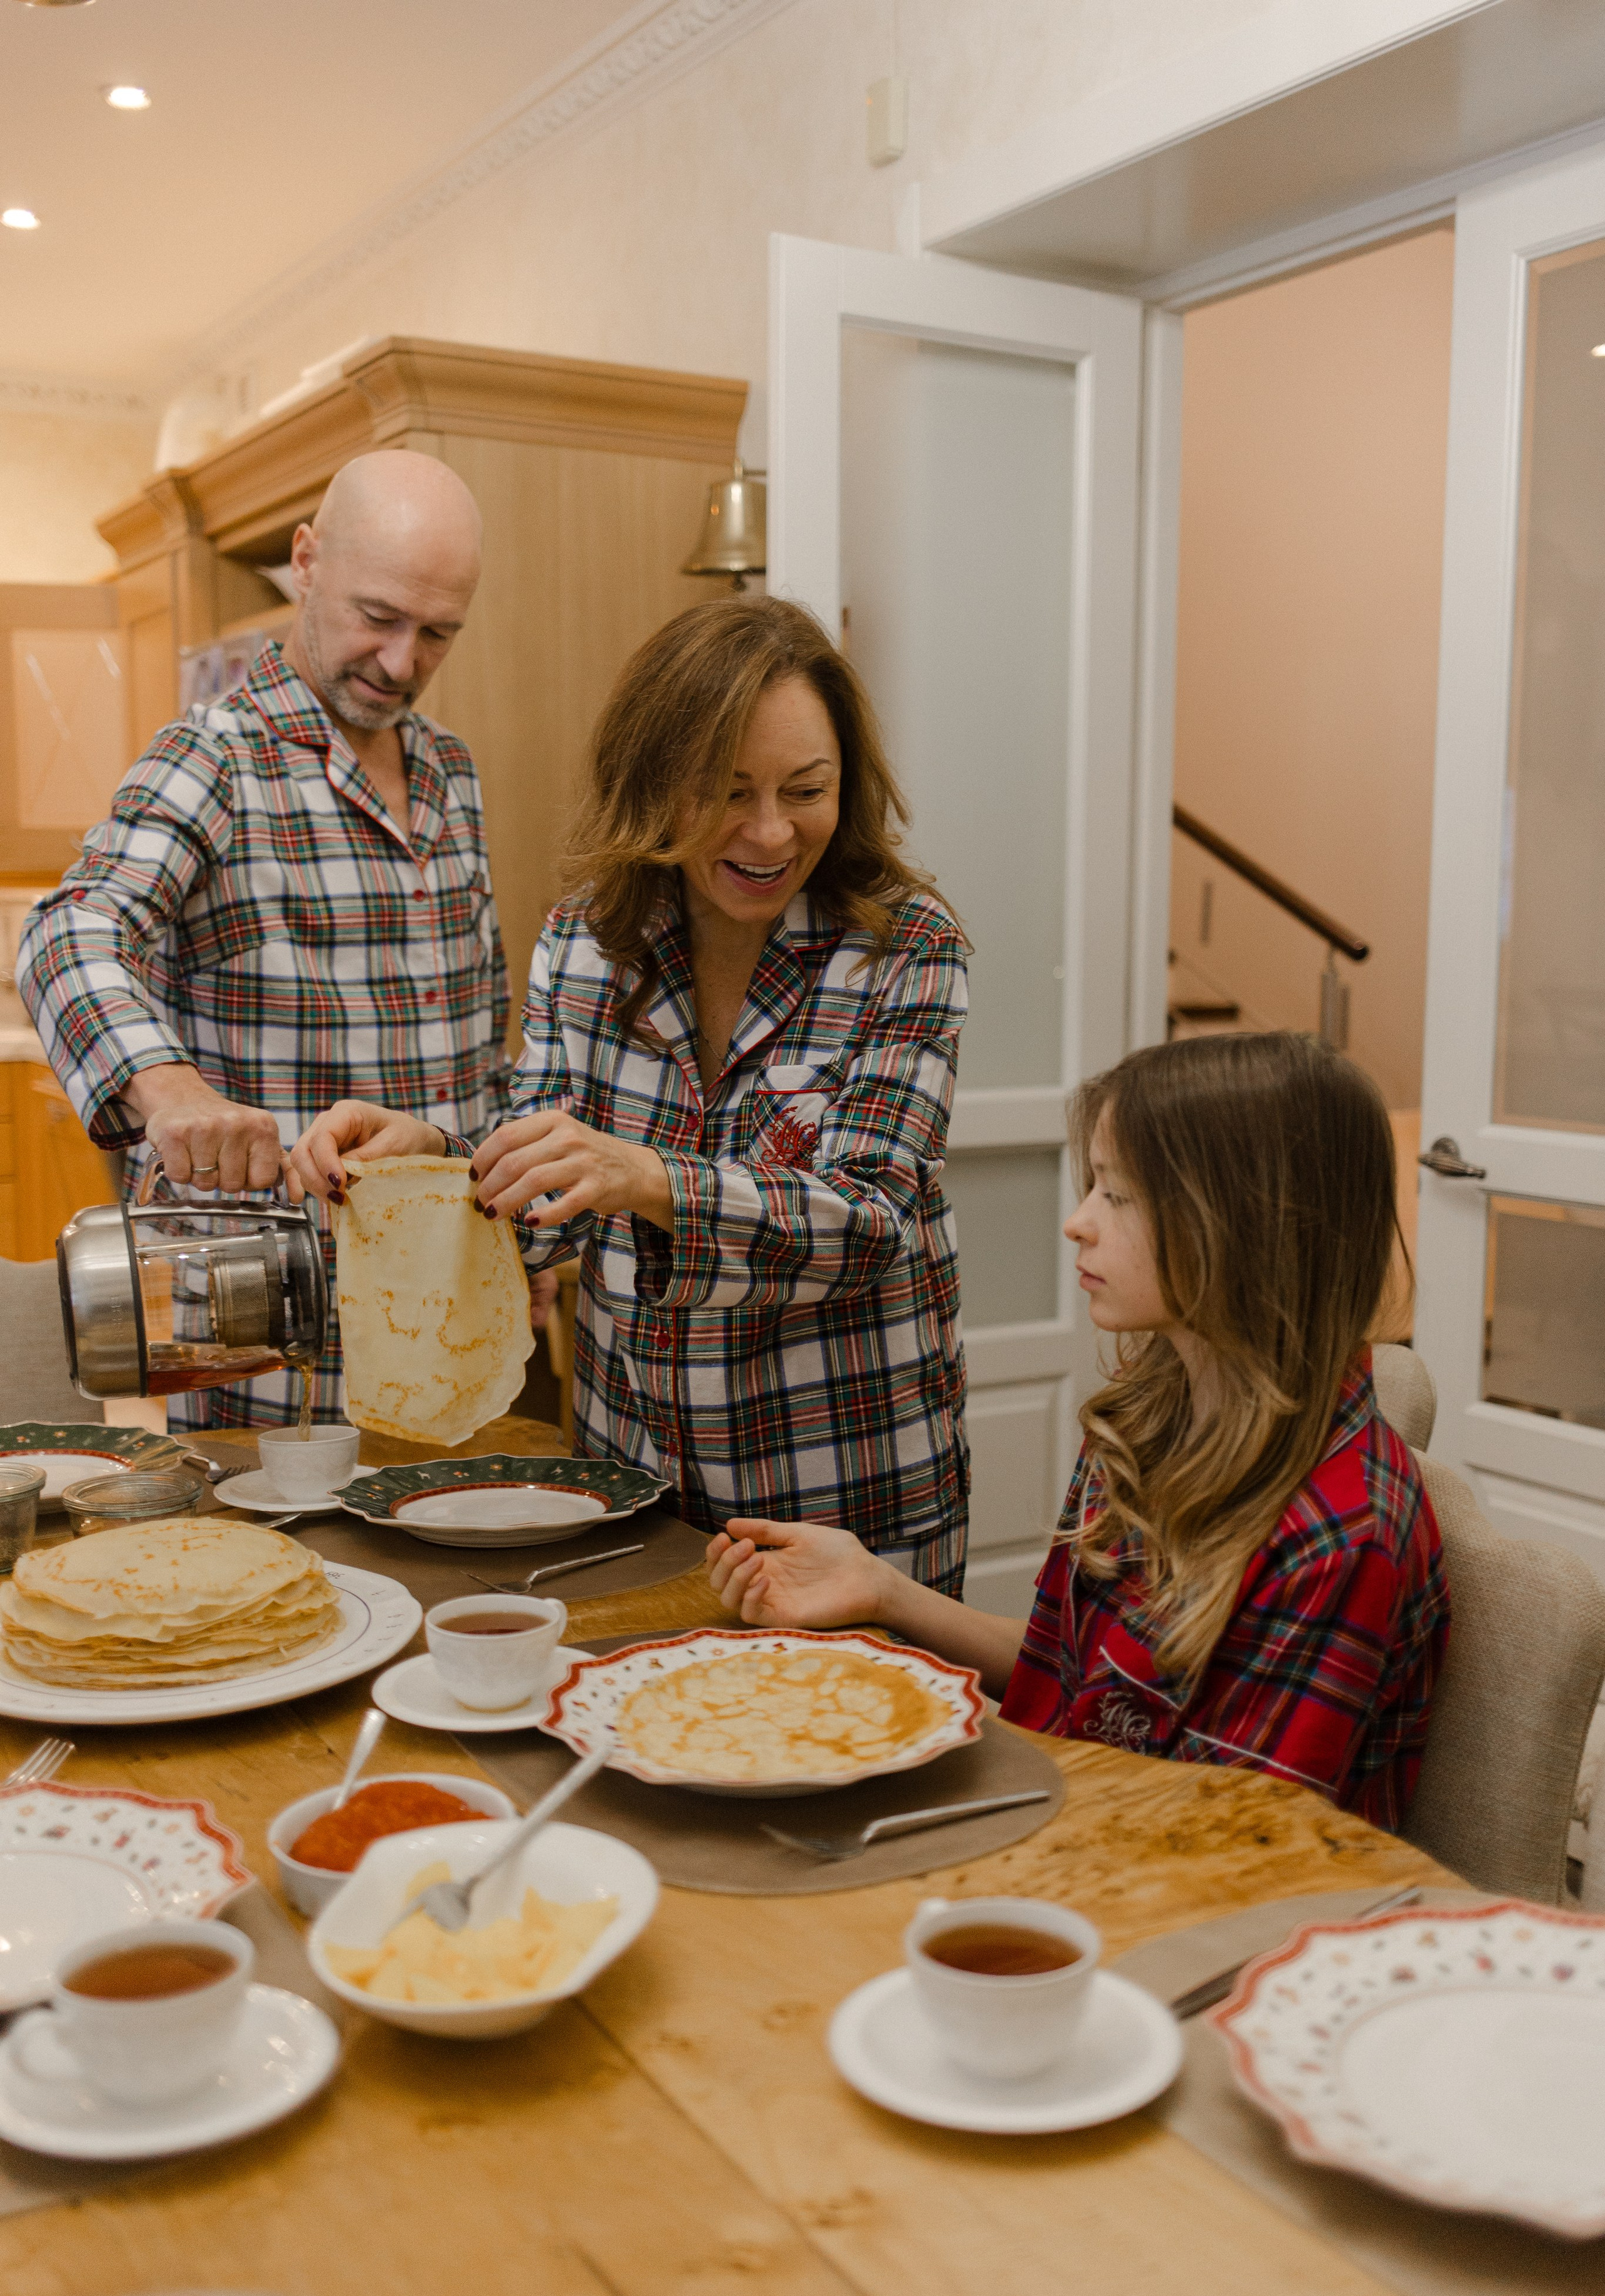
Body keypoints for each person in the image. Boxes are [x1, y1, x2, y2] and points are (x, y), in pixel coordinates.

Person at [292, 596, 972, 1591]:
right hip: (634, 1491)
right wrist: (427, 1163)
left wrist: (647, 1177)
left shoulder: (906, 948)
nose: (773, 831)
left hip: (844, 1500)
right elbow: (543, 1218)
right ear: (652, 783)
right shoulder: (588, 939)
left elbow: (868, 1221)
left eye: (806, 790)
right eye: (727, 792)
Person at [705, 1032, 1450, 1833]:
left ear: (1246, 1227)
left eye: (1118, 1196)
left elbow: (1217, 1842)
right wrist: (882, 1591)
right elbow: (1073, 1672)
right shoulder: (1146, 1420)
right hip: (1064, 1825)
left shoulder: (1344, 1534)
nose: (1077, 1222)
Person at [18, 448, 530, 1432]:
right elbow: (66, 932)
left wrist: (505, 1238)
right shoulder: (212, 757)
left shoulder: (450, 773)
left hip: (449, 1319)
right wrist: (173, 1093)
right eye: (377, 618)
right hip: (275, 1347)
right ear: (307, 561)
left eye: (437, 634)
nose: (401, 663)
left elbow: (470, 1049)